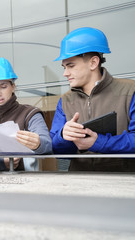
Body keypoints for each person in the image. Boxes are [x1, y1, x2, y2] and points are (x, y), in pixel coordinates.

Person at [50, 27, 135, 171]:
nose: (65, 73)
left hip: (123, 184)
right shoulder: (65, 101)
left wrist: (99, 142)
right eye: (64, 67)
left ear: (93, 63)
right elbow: (55, 150)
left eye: (70, 66)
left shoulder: (129, 91)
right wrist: (63, 136)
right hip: (79, 185)